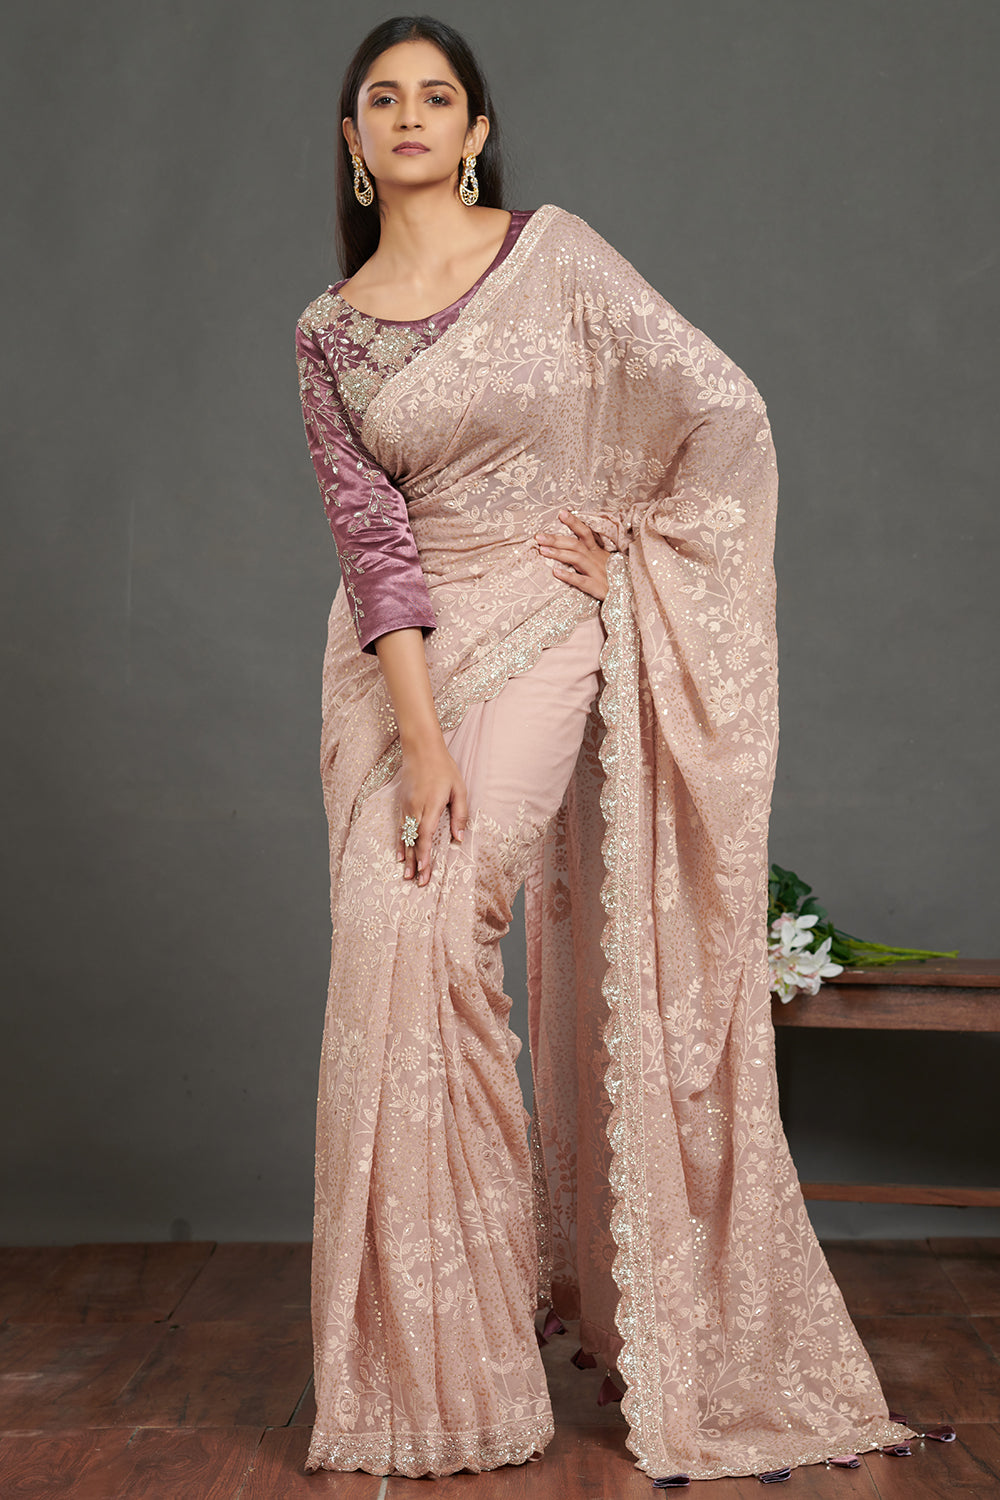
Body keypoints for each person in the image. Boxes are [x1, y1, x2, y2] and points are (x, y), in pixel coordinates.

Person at [293, 13, 919, 1484]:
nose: (408, 115)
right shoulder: (328, 329)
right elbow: (372, 541)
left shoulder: (556, 258)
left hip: (543, 623)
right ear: (353, 140)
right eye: (381, 98)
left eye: (435, 96)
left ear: (475, 132)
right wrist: (420, 733)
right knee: (388, 945)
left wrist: (635, 549)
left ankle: (477, 1351)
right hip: (395, 669)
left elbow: (722, 410)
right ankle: (425, 1376)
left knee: (448, 928)